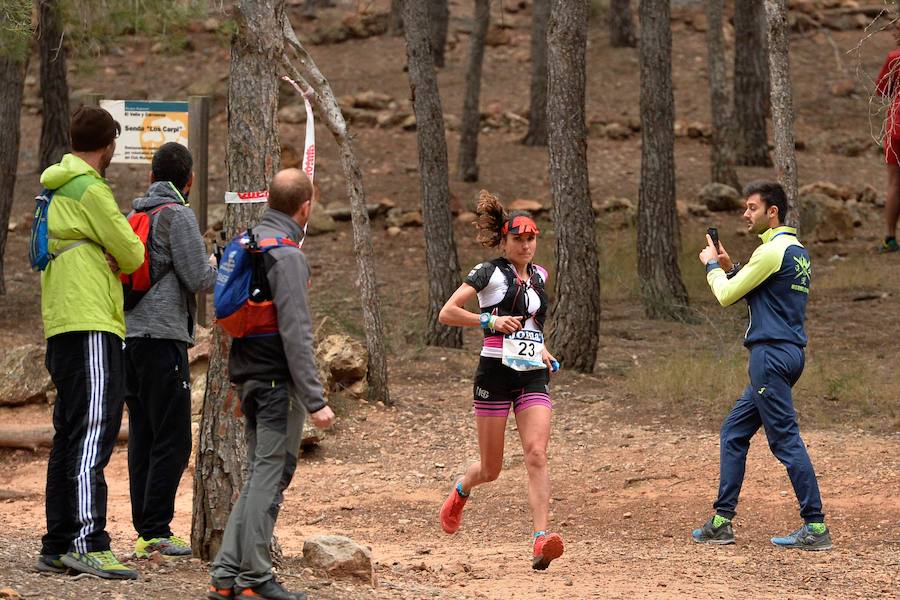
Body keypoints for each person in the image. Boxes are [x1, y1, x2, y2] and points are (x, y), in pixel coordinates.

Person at [208, 169, 335, 600]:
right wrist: (316, 400)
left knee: (260, 476)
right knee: (270, 474)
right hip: (278, 383)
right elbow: (297, 333)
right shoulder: (286, 256)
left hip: (249, 377)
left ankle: (227, 573)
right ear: (305, 207)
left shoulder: (248, 242)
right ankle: (256, 578)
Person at [692, 181, 832, 551]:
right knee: (734, 431)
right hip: (788, 354)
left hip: (769, 358)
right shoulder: (796, 251)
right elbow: (766, 290)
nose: (745, 214)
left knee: (785, 439)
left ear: (773, 212)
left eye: (752, 207)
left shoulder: (771, 250)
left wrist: (711, 268)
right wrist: (730, 265)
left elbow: (725, 295)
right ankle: (722, 521)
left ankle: (815, 526)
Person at [36, 106, 145, 579]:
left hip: (61, 320)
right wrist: (107, 250)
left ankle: (58, 542)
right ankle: (87, 540)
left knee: (70, 433)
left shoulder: (53, 185)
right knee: (94, 430)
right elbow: (133, 251)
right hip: (92, 320)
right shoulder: (90, 188)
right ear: (108, 145)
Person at [436, 190, 563, 571]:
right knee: (491, 469)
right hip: (493, 373)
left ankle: (541, 539)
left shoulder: (540, 275)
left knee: (536, 454)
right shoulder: (487, 273)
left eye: (531, 239)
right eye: (518, 239)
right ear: (505, 241)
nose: (526, 246)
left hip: (531, 375)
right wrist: (488, 321)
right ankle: (462, 490)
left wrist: (542, 349)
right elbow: (447, 313)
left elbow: (533, 327)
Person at [124, 142, 217, 559]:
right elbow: (200, 278)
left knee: (143, 433)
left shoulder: (134, 215)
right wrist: (223, 261)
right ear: (189, 180)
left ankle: (146, 529)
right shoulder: (178, 215)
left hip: (129, 338)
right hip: (163, 339)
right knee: (176, 438)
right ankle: (156, 528)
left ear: (151, 177)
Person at [875, 19, 900, 253]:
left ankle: (890, 237)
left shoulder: (894, 58)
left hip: (896, 127)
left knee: (894, 182)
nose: (893, 32)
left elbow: (882, 90)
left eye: (896, 28)